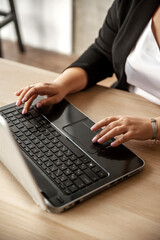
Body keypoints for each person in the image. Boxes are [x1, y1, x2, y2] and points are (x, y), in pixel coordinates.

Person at [15, 0, 160, 147]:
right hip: (125, 107)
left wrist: (153, 127)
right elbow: (103, 52)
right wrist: (61, 85)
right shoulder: (132, 3)